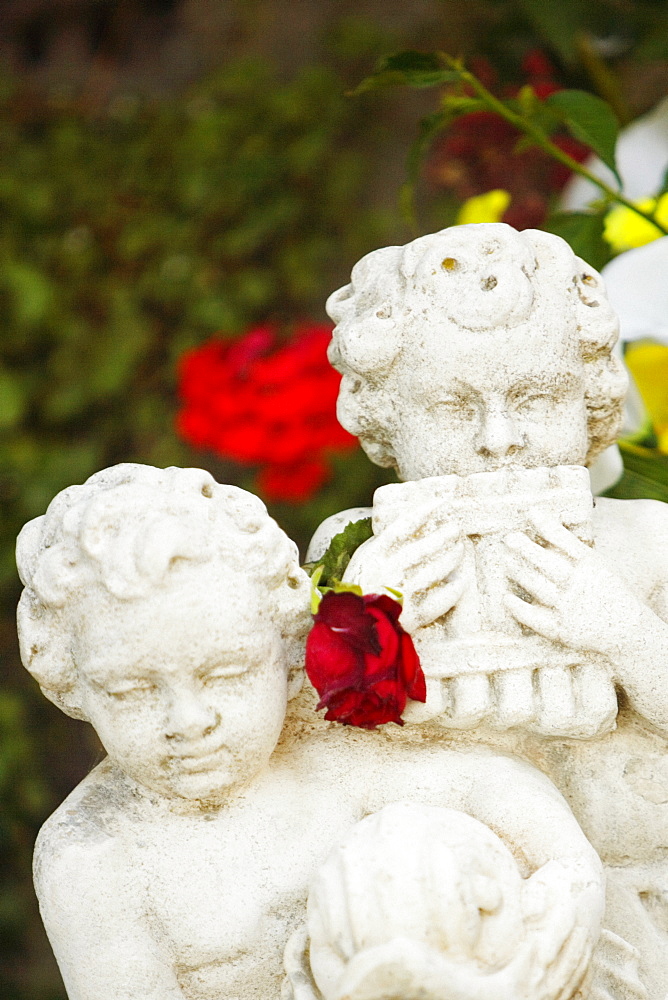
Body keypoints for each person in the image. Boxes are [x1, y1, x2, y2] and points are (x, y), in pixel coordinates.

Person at [17, 463, 603, 1000]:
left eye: (226, 673)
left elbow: (486, 783)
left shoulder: (324, 754)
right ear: (70, 685)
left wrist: (573, 879)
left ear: (287, 648)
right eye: (130, 691)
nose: (190, 721)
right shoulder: (96, 859)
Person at [309, 222, 668, 995]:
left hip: (644, 889)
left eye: (535, 397)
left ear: (590, 393)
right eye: (451, 407)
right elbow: (316, 739)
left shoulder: (648, 542)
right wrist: (366, 620)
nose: (499, 439)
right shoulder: (353, 550)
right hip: (459, 918)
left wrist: (624, 634)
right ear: (385, 418)